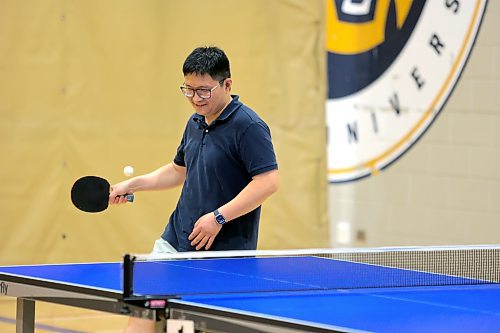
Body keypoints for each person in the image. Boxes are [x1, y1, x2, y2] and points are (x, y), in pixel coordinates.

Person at [110, 46, 279, 333]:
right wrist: (132, 183)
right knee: (142, 313)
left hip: (221, 253)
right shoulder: (195, 122)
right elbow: (178, 170)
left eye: (203, 90)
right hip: (175, 239)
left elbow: (268, 182)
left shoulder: (248, 126)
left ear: (227, 84)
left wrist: (218, 217)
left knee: (182, 325)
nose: (195, 98)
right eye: (188, 90)